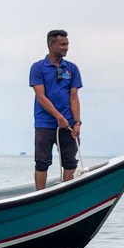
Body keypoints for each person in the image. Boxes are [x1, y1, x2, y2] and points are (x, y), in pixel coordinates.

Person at [30, 29, 83, 190]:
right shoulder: (38, 67)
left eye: (67, 44)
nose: (66, 48)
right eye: (62, 45)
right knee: (42, 161)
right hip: (45, 123)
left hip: (68, 124)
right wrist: (58, 116)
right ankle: (39, 195)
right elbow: (41, 96)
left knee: (70, 161)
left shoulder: (72, 68)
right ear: (51, 45)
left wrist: (77, 122)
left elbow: (74, 96)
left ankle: (67, 193)